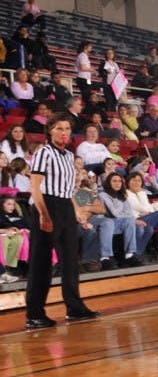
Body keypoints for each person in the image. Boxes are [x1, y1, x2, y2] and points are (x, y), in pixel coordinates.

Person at [24, 113, 100, 329]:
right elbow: (35, 188)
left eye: (67, 129)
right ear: (50, 130)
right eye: (59, 128)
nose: (64, 132)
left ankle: (75, 308)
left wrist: (76, 210)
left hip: (65, 206)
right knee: (42, 263)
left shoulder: (68, 156)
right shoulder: (43, 153)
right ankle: (34, 313)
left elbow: (69, 190)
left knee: (70, 261)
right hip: (45, 205)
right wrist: (43, 214)